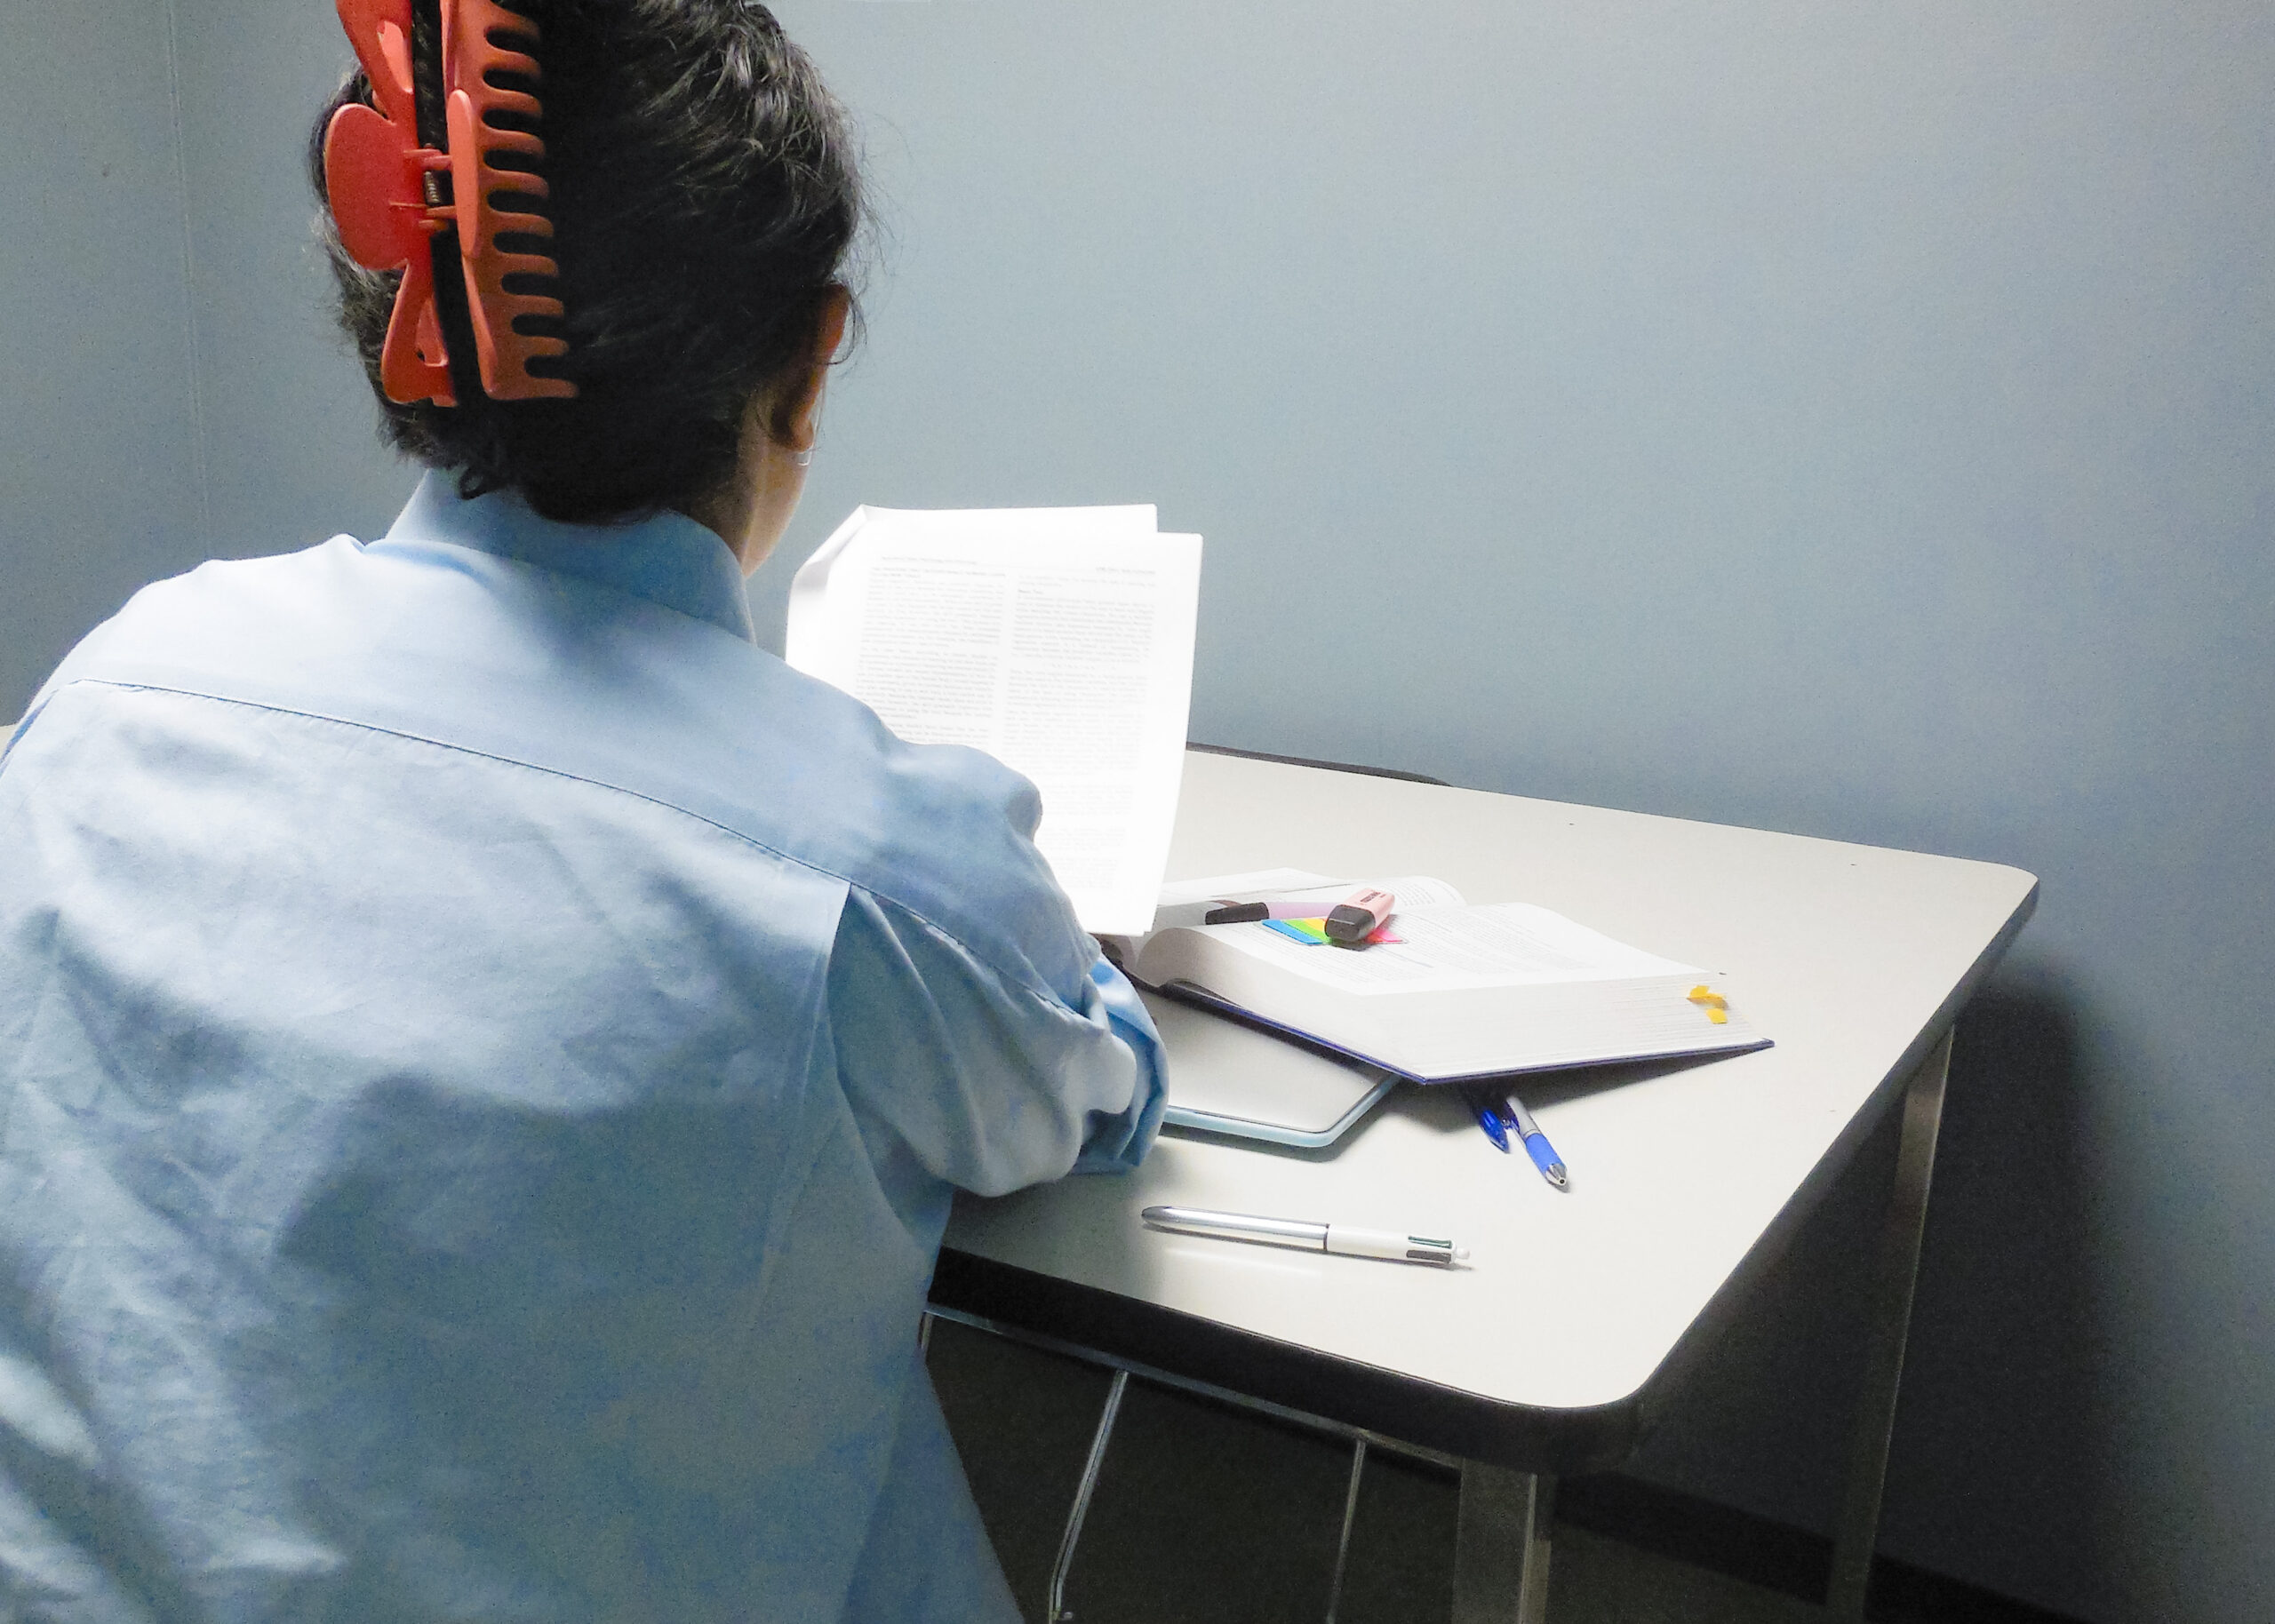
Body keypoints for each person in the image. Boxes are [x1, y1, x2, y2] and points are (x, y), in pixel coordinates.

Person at [0, 4, 1163, 1619]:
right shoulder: (887, 872)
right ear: (809, 364)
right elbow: (1073, 1104)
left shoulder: (113, 689)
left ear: (397, 313)